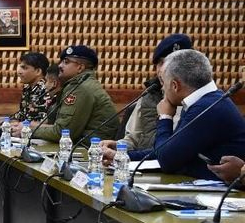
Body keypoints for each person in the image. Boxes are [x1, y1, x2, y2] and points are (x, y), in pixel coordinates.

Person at [103, 49, 245, 180]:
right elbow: (167, 150)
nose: (162, 89)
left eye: (163, 83)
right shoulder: (202, 101)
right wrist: (121, 155)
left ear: (175, 85)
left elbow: (166, 160)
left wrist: (165, 117)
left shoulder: (208, 107)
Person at [101, 33, 192, 152]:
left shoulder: (195, 100)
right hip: (143, 161)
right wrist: (116, 146)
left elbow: (174, 151)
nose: (163, 70)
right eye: (161, 63)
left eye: (172, 64)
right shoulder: (149, 95)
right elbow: (133, 140)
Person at [16, 45, 117, 143]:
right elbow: (56, 124)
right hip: (82, 144)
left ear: (80, 68)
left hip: (90, 148)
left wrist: (27, 130)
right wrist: (28, 126)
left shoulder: (82, 88)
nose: (60, 65)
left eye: (66, 62)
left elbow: (63, 133)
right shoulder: (76, 85)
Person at [10, 52, 50, 123]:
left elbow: (41, 121)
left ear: (38, 71)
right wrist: (6, 120)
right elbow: (22, 114)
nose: (19, 72)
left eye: (24, 68)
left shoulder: (46, 89)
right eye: (20, 67)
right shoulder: (27, 88)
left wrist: (14, 124)